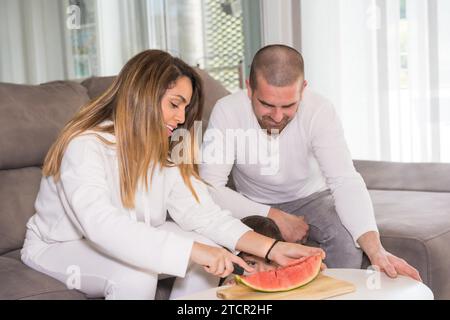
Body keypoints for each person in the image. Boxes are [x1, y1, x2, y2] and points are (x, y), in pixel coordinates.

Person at [20, 49, 325, 300]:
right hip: (58, 247)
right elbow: (103, 226)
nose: (181, 118)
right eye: (174, 104)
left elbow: (202, 214)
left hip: (128, 237)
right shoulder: (85, 145)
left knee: (208, 250)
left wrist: (272, 247)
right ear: (142, 95)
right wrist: (191, 250)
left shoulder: (165, 149)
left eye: (185, 108)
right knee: (138, 271)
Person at [199, 44, 421, 281]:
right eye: (266, 104)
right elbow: (209, 187)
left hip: (311, 198)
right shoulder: (227, 111)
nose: (277, 117)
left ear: (303, 89)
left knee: (347, 248)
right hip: (252, 200)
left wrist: (376, 251)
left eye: (288, 106)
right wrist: (273, 214)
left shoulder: (319, 110)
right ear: (249, 87)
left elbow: (344, 179)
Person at [220, 215, 326, 286]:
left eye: (269, 262)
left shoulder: (283, 270)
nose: (261, 270)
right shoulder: (234, 276)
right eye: (251, 263)